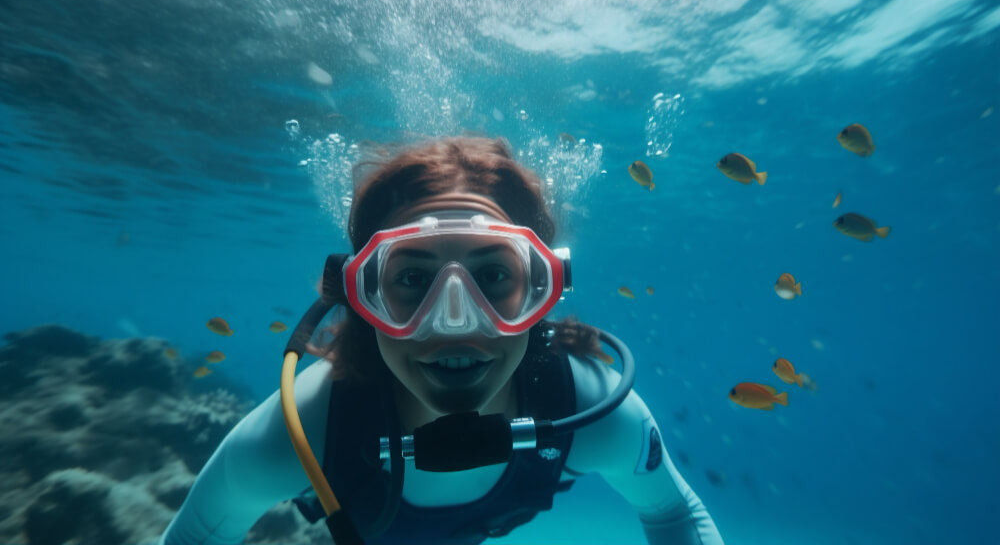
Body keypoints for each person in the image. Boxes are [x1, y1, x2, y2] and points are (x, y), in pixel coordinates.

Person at [158, 137, 724, 545]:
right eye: (411, 280)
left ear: (544, 288)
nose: (454, 322)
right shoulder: (306, 433)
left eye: (494, 277)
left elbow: (677, 517)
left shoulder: (590, 412)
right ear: (361, 294)